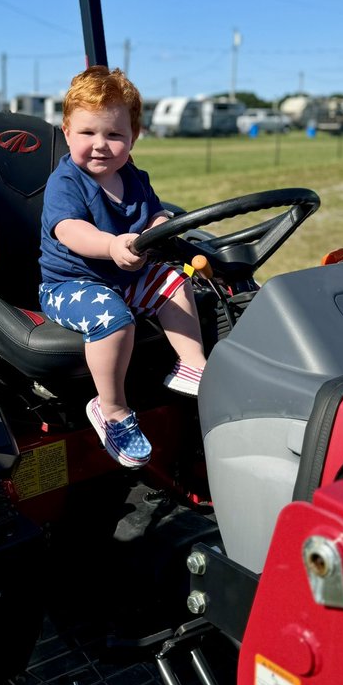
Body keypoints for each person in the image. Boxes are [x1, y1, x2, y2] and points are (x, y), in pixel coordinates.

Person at [39, 66, 207, 468]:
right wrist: (113, 244)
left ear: (134, 138)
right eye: (87, 133)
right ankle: (111, 409)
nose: (100, 145)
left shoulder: (133, 176)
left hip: (126, 277)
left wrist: (159, 226)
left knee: (173, 280)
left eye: (114, 135)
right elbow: (70, 230)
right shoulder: (66, 182)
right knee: (113, 318)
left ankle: (193, 367)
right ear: (66, 132)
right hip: (71, 286)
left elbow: (154, 215)